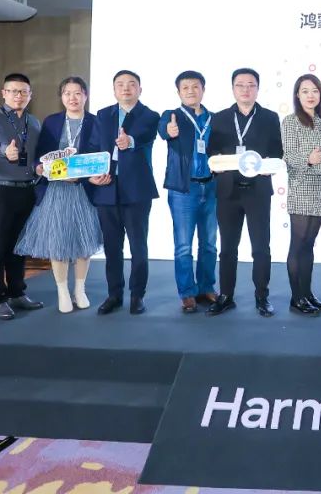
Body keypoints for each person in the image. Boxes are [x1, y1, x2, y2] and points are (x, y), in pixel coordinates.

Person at [15, 77, 109, 312]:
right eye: (67, 93)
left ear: (85, 95)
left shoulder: (96, 122)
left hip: (83, 190)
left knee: (84, 241)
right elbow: (41, 154)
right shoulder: (52, 121)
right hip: (56, 190)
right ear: (61, 97)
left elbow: (100, 156)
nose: (72, 98)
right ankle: (62, 290)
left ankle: (80, 289)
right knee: (58, 241)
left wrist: (90, 176)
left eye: (77, 93)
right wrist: (39, 167)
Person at [207, 68, 284, 317]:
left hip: (258, 190)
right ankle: (226, 296)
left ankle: (262, 296)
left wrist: (267, 166)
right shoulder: (219, 118)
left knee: (261, 247)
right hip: (228, 191)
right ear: (233, 89)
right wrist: (218, 162)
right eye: (240, 85)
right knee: (227, 248)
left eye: (251, 85)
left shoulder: (270, 117)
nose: (245, 90)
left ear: (258, 89)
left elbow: (278, 151)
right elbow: (211, 151)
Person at [91, 70, 160, 315]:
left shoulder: (150, 115)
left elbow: (144, 136)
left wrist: (129, 140)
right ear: (114, 90)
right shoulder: (103, 115)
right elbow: (94, 147)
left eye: (132, 84)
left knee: (138, 247)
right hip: (106, 187)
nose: (126, 88)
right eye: (120, 84)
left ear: (140, 89)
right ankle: (114, 295)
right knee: (112, 247)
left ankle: (137, 295)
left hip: (136, 190)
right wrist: (92, 175)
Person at [0, 73, 44, 320]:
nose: (19, 96)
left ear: (30, 95)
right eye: (14, 91)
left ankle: (17, 292)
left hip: (27, 189)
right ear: (3, 93)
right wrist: (6, 150)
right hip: (0, 190)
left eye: (24, 92)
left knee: (20, 246)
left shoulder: (33, 121)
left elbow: (37, 154)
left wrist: (40, 166)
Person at [159, 70, 218, 314]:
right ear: (178, 92)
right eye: (185, 87)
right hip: (184, 189)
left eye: (195, 86)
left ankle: (206, 287)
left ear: (203, 89)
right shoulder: (170, 116)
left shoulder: (215, 118)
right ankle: (187, 293)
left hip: (212, 186)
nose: (191, 91)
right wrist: (169, 130)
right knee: (183, 245)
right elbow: (163, 130)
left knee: (210, 244)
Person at [281, 74, 321, 315]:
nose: (310, 95)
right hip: (301, 188)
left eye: (314, 90)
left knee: (309, 246)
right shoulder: (291, 121)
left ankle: (307, 292)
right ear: (297, 95)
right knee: (298, 245)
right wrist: (308, 159)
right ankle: (296, 298)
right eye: (305, 91)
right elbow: (287, 155)